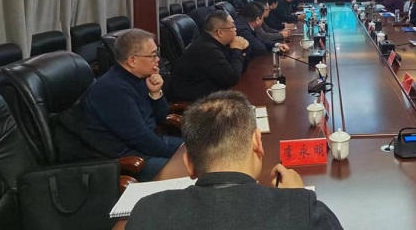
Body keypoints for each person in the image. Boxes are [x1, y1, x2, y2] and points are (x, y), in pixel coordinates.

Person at [126, 91, 344, 230]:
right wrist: (295, 198)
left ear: (188, 163)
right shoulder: (306, 211)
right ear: (257, 143)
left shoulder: (146, 212)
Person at [63, 29, 183, 181]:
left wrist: (155, 93)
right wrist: (184, 157)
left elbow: (161, 117)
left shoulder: (140, 78)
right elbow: (140, 139)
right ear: (132, 60)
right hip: (130, 159)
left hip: (150, 142)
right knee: (198, 166)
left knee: (205, 149)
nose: (158, 59)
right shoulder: (113, 89)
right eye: (153, 55)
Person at [169, 10, 249, 102]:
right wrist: (237, 49)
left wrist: (244, 49)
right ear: (220, 32)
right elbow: (232, 78)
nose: (236, 29)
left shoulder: (219, 43)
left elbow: (239, 69)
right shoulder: (207, 49)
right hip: (196, 101)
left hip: (214, 91)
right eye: (233, 26)